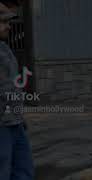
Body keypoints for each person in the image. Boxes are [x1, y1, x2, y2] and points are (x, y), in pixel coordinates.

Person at [0, 1, 34, 180]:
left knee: (23, 169)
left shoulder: (5, 48)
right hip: (2, 125)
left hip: (15, 122)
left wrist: (19, 117)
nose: (8, 26)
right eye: (3, 22)